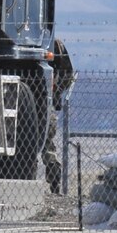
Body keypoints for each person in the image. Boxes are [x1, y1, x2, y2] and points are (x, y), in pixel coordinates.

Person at [40, 37, 75, 194]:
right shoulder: (55, 45)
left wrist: (55, 92)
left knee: (44, 144)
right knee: (47, 146)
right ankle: (54, 182)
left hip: (46, 104)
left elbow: (67, 74)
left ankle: (53, 182)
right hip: (48, 104)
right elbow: (68, 74)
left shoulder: (55, 46)